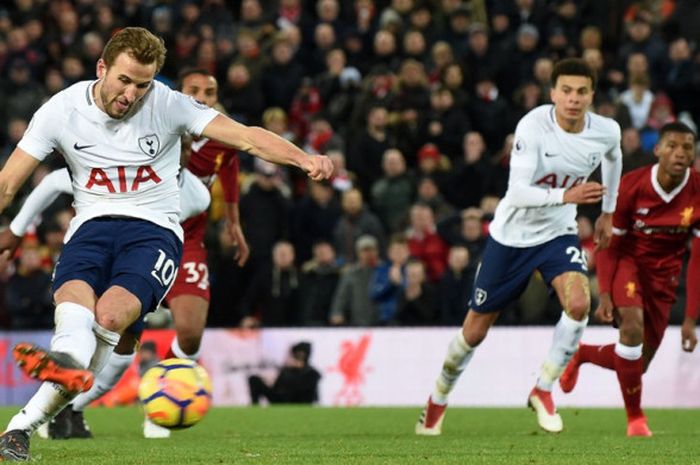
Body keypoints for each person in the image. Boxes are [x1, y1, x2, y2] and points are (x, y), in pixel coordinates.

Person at [0, 27, 332, 461]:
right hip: (90, 228)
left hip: (152, 231)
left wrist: (303, 158)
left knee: (111, 315)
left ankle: (35, 408)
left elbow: (247, 136)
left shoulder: (169, 104)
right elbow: (8, 182)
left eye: (143, 84)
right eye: (124, 80)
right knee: (75, 314)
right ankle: (32, 414)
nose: (133, 93)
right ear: (102, 68)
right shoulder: (61, 110)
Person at [415, 58, 622, 436]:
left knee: (578, 304)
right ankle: (437, 399)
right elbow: (518, 193)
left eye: (581, 92)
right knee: (473, 334)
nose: (573, 99)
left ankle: (543, 389)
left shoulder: (606, 131)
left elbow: (614, 156)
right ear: (553, 93)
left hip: (557, 233)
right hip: (511, 237)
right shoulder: (533, 125)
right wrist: (569, 194)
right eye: (566, 91)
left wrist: (608, 213)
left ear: (592, 95)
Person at [559, 122, 699, 437]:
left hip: (664, 279)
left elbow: (699, 260)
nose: (680, 153)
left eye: (687, 147)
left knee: (638, 362)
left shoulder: (698, 192)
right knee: (632, 328)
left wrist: (691, 319)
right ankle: (636, 419)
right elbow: (609, 244)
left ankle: (583, 354)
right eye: (673, 145)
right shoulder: (632, 185)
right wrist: (605, 293)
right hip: (629, 263)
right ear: (658, 150)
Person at [248, 341, 321, 405]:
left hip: (298, 403)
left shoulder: (312, 373)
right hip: (281, 400)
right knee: (254, 379)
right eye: (297, 354)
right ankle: (255, 407)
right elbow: (277, 388)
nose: (298, 357)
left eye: (301, 355)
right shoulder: (287, 370)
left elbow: (310, 396)